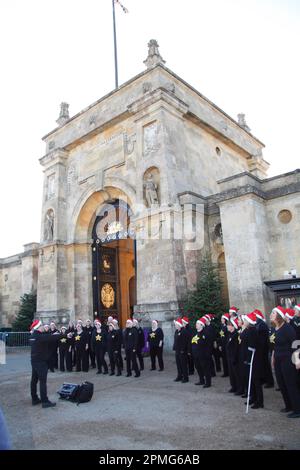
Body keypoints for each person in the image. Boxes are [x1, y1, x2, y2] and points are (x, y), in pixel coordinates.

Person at [270, 306, 300, 418]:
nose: (271, 314)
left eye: (273, 313)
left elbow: (296, 344)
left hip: (288, 360)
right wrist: (273, 357)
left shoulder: (288, 328)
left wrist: (297, 361)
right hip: (278, 359)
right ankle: (289, 406)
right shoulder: (274, 328)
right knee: (282, 384)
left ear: (278, 316)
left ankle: (297, 409)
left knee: (290, 384)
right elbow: (274, 346)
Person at [29, 319, 64, 408]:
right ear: (39, 327)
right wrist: (62, 334)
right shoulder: (39, 336)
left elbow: (47, 336)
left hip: (34, 361)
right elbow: (50, 337)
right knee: (42, 382)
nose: (43, 327)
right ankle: (45, 401)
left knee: (34, 380)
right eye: (42, 326)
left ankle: (34, 398)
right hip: (40, 362)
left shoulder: (33, 335)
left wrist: (53, 334)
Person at [242, 312, 264, 409]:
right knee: (250, 379)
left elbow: (252, 346)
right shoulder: (248, 330)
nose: (243, 322)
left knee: (256, 381)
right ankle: (253, 397)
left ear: (249, 322)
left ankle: (259, 401)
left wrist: (248, 359)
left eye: (245, 320)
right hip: (248, 358)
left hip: (253, 359)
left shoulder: (252, 331)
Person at [191, 318, 212, 388]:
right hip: (196, 354)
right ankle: (201, 380)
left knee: (205, 369)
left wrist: (207, 354)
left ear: (201, 325)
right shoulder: (195, 332)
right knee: (198, 367)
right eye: (196, 324)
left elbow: (208, 345)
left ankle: (208, 382)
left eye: (197, 324)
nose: (196, 325)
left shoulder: (206, 333)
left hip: (203, 355)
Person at [173, 318, 189, 383]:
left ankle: (185, 378)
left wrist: (183, 350)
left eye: (176, 325)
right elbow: (175, 340)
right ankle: (179, 376)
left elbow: (185, 342)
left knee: (183, 365)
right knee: (178, 364)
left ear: (179, 325)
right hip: (177, 350)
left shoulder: (184, 331)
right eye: (175, 325)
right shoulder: (176, 331)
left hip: (182, 351)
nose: (175, 326)